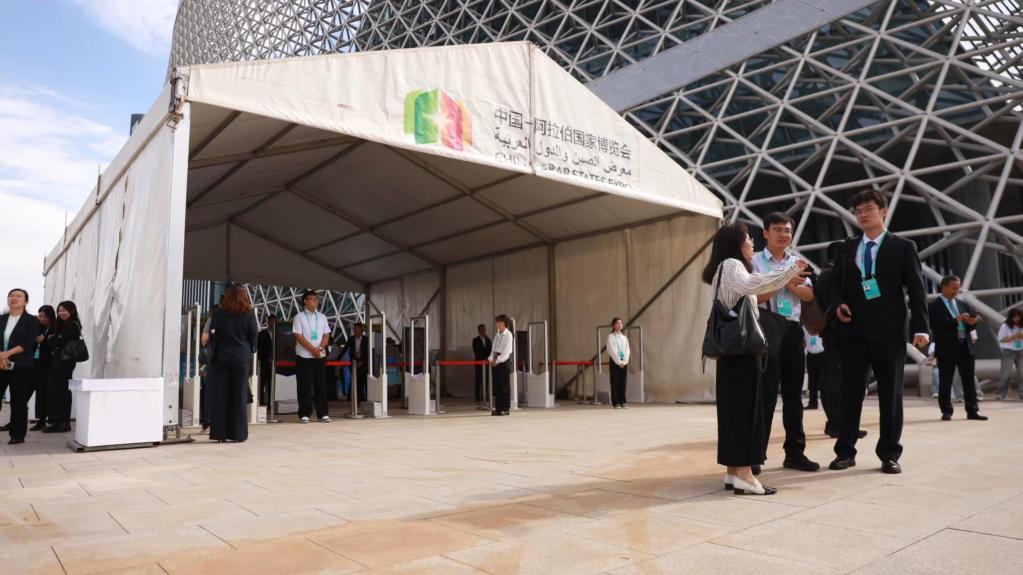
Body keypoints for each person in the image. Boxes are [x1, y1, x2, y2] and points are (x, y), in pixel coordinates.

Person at [702, 223, 807, 496]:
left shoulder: (723, 269)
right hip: (741, 352)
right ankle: (746, 475)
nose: (752, 243)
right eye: (748, 238)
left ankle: (734, 472)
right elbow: (755, 284)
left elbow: (752, 286)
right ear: (735, 243)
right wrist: (789, 270)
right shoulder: (732, 265)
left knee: (734, 413)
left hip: (732, 354)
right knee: (746, 413)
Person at [830, 190, 930, 475]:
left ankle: (889, 453)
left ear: (883, 211)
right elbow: (835, 284)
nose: (862, 215)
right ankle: (845, 452)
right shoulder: (847, 247)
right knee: (850, 394)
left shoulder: (903, 247)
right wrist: (838, 304)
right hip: (853, 330)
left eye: (868, 209)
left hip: (889, 331)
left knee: (890, 394)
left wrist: (922, 327)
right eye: (858, 210)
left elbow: (917, 288)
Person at [752, 212, 818, 472]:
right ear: (765, 233)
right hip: (766, 328)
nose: (783, 235)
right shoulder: (754, 261)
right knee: (765, 395)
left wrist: (791, 283)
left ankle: (795, 452)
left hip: (792, 330)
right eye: (778, 229)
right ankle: (756, 455)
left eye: (787, 230)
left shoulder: (796, 262)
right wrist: (784, 278)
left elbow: (809, 295)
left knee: (794, 396)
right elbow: (755, 296)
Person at [814, 241, 869, 440]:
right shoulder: (831, 275)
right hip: (836, 333)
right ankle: (837, 424)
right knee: (836, 381)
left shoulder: (828, 274)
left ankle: (838, 423)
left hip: (836, 333)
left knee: (836, 379)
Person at [929, 275, 987, 421]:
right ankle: (946, 411)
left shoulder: (962, 304)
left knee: (969, 380)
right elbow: (936, 326)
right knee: (945, 381)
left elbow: (971, 325)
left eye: (958, 288)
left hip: (965, 347)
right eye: (953, 288)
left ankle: (972, 411)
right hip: (946, 348)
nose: (956, 291)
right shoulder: (934, 306)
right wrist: (956, 320)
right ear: (944, 287)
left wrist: (973, 322)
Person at [206, 284, 258, 442]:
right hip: (241, 358)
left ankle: (220, 433)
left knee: (221, 396)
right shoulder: (249, 314)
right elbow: (253, 336)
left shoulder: (218, 313)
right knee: (239, 395)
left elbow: (213, 334)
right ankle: (238, 434)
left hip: (221, 358)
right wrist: (250, 350)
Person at [0, 289, 40, 444]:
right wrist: (1, 356)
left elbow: (28, 342)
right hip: (1, 363)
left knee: (18, 401)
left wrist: (6, 354)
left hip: (21, 366)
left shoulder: (31, 320)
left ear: (25, 301)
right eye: (11, 295)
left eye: (18, 296)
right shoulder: (2, 318)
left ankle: (17, 434)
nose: (14, 298)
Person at [43, 301, 83, 434]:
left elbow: (58, 342)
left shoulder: (73, 325)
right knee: (54, 389)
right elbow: (56, 341)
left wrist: (52, 339)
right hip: (57, 359)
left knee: (63, 389)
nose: (61, 313)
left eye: (64, 310)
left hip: (65, 361)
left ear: (72, 311)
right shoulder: (61, 325)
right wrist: (54, 339)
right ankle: (56, 420)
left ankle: (65, 422)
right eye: (59, 310)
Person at [293, 290, 331, 423]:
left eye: (316, 299)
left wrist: (319, 348)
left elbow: (326, 335)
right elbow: (298, 335)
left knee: (321, 385)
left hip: (319, 355)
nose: (315, 301)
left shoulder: (322, 317)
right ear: (305, 301)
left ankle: (323, 413)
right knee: (304, 385)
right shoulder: (299, 317)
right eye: (312, 298)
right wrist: (311, 349)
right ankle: (304, 413)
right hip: (304, 356)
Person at [29, 305, 56, 431]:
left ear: (51, 316)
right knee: (27, 392)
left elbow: (55, 346)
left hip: (46, 365)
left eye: (45, 317)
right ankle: (18, 419)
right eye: (40, 316)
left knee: (42, 393)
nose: (42, 319)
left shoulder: (54, 328)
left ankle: (42, 420)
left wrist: (43, 341)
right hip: (33, 364)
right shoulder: (37, 327)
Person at [996, 307, 1023, 400]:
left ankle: (1022, 393)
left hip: (1021, 351)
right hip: (1008, 351)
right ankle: (1000, 394)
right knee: (1005, 375)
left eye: (1018, 316)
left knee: (1022, 374)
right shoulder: (1005, 326)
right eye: (1014, 317)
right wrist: (1012, 337)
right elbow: (1001, 339)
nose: (1016, 319)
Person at [338, 322, 369, 403]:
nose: (355, 330)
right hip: (354, 362)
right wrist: (338, 359)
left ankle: (363, 397)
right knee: (354, 380)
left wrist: (363, 361)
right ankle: (354, 398)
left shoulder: (366, 339)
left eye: (357, 329)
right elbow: (345, 348)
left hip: (363, 363)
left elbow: (368, 352)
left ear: (361, 330)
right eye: (354, 329)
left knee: (363, 380)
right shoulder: (351, 339)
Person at [489, 314, 514, 416]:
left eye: (499, 322)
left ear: (504, 323)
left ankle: (505, 408)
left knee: (504, 386)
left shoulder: (508, 335)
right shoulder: (497, 334)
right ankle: (498, 408)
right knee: (497, 386)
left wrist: (497, 360)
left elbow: (506, 352)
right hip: (496, 360)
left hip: (504, 362)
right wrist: (491, 359)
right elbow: (493, 349)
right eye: (497, 322)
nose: (497, 324)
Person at [606, 317, 631, 409]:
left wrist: (624, 361)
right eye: (617, 323)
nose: (619, 325)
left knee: (622, 382)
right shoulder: (611, 337)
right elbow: (612, 350)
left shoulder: (624, 337)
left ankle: (622, 401)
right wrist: (618, 362)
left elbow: (627, 350)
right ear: (613, 325)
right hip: (615, 361)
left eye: (621, 323)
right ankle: (615, 402)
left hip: (623, 362)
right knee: (615, 382)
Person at [257, 315, 276, 406]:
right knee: (262, 383)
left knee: (272, 384)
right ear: (268, 322)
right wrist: (266, 358)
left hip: (275, 364)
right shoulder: (262, 334)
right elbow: (259, 348)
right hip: (264, 363)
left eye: (274, 321)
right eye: (271, 321)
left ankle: (270, 404)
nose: (273, 323)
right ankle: (260, 402)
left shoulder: (278, 334)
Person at [804, 327, 825, 411]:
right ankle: (813, 403)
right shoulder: (804, 326)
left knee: (823, 381)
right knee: (812, 381)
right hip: (810, 354)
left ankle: (826, 403)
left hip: (822, 354)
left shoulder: (820, 325)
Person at [472, 324, 492, 405]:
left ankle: (486, 396)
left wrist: (488, 358)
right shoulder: (475, 340)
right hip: (479, 362)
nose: (483, 331)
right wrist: (483, 358)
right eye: (481, 329)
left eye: (484, 329)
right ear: (478, 330)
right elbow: (476, 351)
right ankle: (477, 397)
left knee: (487, 380)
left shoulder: (488, 339)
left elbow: (490, 350)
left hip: (487, 362)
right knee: (478, 380)